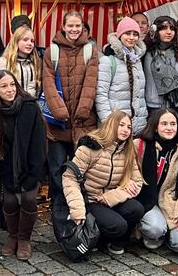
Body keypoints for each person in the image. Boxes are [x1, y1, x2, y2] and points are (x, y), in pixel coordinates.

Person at [63, 110, 145, 256]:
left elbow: (137, 181)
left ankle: (115, 243)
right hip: (89, 200)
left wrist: (112, 197)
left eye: (129, 127)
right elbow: (70, 178)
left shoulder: (127, 150)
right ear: (111, 125)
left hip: (108, 199)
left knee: (136, 209)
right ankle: (97, 239)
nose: (126, 130)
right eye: (121, 125)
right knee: (118, 225)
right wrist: (77, 209)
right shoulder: (90, 147)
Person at [42, 11, 100, 211]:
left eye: (78, 26)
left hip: (83, 122)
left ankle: (82, 208)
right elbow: (48, 83)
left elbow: (91, 83)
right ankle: (60, 208)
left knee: (83, 169)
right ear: (63, 27)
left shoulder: (90, 50)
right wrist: (59, 110)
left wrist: (83, 109)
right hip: (57, 125)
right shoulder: (52, 51)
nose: (74, 30)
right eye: (71, 26)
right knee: (57, 169)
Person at [0, 70, 45, 260]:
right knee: (10, 201)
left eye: (12, 84)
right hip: (7, 166)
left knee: (29, 199)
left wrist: (34, 173)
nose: (10, 89)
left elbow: (38, 144)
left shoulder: (29, 106)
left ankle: (24, 239)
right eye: (4, 86)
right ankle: (13, 236)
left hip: (31, 164)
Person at [135, 109, 178, 254]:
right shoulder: (140, 145)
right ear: (155, 126)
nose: (169, 128)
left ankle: (169, 237)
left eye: (173, 124)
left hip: (172, 202)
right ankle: (156, 234)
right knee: (155, 229)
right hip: (147, 199)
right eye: (164, 124)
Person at [97, 17, 148, 135]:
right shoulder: (108, 61)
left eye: (135, 34)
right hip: (115, 126)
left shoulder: (138, 60)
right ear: (119, 35)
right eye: (127, 33)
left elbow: (140, 95)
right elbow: (101, 94)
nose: (131, 37)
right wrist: (109, 123)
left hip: (137, 126)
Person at [143, 16, 178, 128]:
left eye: (172, 28)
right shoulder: (146, 53)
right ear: (155, 31)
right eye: (163, 28)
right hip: (154, 107)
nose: (169, 32)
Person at [0, 25, 42, 97]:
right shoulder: (4, 62)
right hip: (11, 105)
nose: (30, 43)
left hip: (31, 104)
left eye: (32, 41)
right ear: (16, 41)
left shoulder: (36, 62)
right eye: (25, 40)